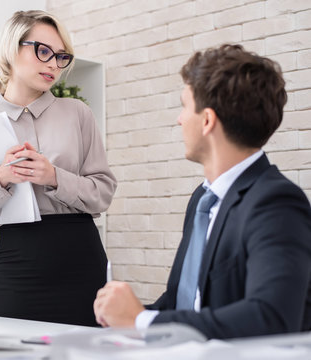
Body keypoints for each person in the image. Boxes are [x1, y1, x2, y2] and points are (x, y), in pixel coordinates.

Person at [94, 44, 311, 339]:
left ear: (207, 120)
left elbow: (271, 316)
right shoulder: (203, 199)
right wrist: (120, 315)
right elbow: (183, 302)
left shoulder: (276, 203)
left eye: (184, 106)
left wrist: (142, 321)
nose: (179, 119)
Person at [0, 10, 117, 326]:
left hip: (81, 261)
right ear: (12, 49)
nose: (54, 64)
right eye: (43, 51)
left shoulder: (77, 114)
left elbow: (104, 194)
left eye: (61, 56)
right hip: (18, 265)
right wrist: (0, 179)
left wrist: (54, 177)